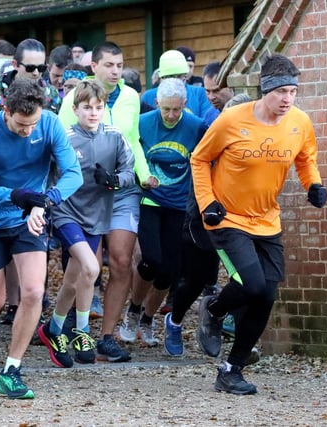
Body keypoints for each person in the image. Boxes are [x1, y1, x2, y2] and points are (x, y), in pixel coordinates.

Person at [191, 54, 327, 395]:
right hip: (227, 217)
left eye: (293, 91)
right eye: (281, 91)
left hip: (267, 220)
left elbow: (305, 159)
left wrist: (314, 185)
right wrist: (208, 204)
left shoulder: (299, 122)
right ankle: (216, 308)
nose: (287, 99)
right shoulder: (232, 119)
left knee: (266, 294)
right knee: (252, 285)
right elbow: (200, 158)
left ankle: (231, 369)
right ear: (264, 91)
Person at [0, 77, 83, 398]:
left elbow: (74, 172)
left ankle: (10, 370)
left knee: (32, 292)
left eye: (33, 124)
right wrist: (18, 195)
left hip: (29, 220)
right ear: (6, 110)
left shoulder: (50, 124)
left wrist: (46, 200)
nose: (28, 130)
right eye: (21, 125)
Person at [59, 41, 149, 362]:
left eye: (119, 65)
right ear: (93, 66)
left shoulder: (130, 98)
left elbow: (133, 140)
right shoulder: (74, 98)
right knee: (88, 267)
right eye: (109, 65)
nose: (115, 71)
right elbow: (61, 145)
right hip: (85, 196)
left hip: (122, 190)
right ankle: (68, 324)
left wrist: (143, 173)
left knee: (123, 261)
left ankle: (107, 336)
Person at [39, 80, 135, 367]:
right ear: (75, 109)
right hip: (67, 212)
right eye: (87, 108)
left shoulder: (115, 137)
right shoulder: (65, 138)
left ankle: (52, 329)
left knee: (74, 279)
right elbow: (48, 173)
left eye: (99, 107)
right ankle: (82, 331)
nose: (93, 113)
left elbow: (129, 170)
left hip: (97, 215)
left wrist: (116, 180)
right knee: (92, 268)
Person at [164, 92, 253, 359]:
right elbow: (198, 187)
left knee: (246, 278)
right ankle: (175, 321)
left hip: (239, 222)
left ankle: (239, 338)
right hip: (202, 222)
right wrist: (201, 220)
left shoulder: (255, 145)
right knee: (195, 281)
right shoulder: (211, 142)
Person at [122, 78, 207, 348]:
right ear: (157, 103)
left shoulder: (195, 127)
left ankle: (148, 318)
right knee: (150, 262)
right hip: (150, 200)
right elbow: (129, 151)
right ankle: (133, 310)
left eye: (176, 110)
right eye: (166, 109)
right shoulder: (145, 123)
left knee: (170, 272)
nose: (171, 116)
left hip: (179, 205)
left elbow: (208, 157)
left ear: (185, 105)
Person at [0, 38, 61, 113]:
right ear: (15, 64)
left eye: (41, 68)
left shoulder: (52, 94)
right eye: (30, 68)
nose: (36, 73)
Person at [141, 50, 212, 118]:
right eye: (168, 77)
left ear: (185, 76)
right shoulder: (148, 96)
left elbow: (206, 125)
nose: (173, 81)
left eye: (178, 76)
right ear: (160, 78)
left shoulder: (199, 94)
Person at [201, 61, 234, 125]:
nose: (211, 97)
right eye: (207, 91)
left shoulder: (244, 112)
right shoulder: (209, 116)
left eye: (216, 91)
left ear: (230, 87)